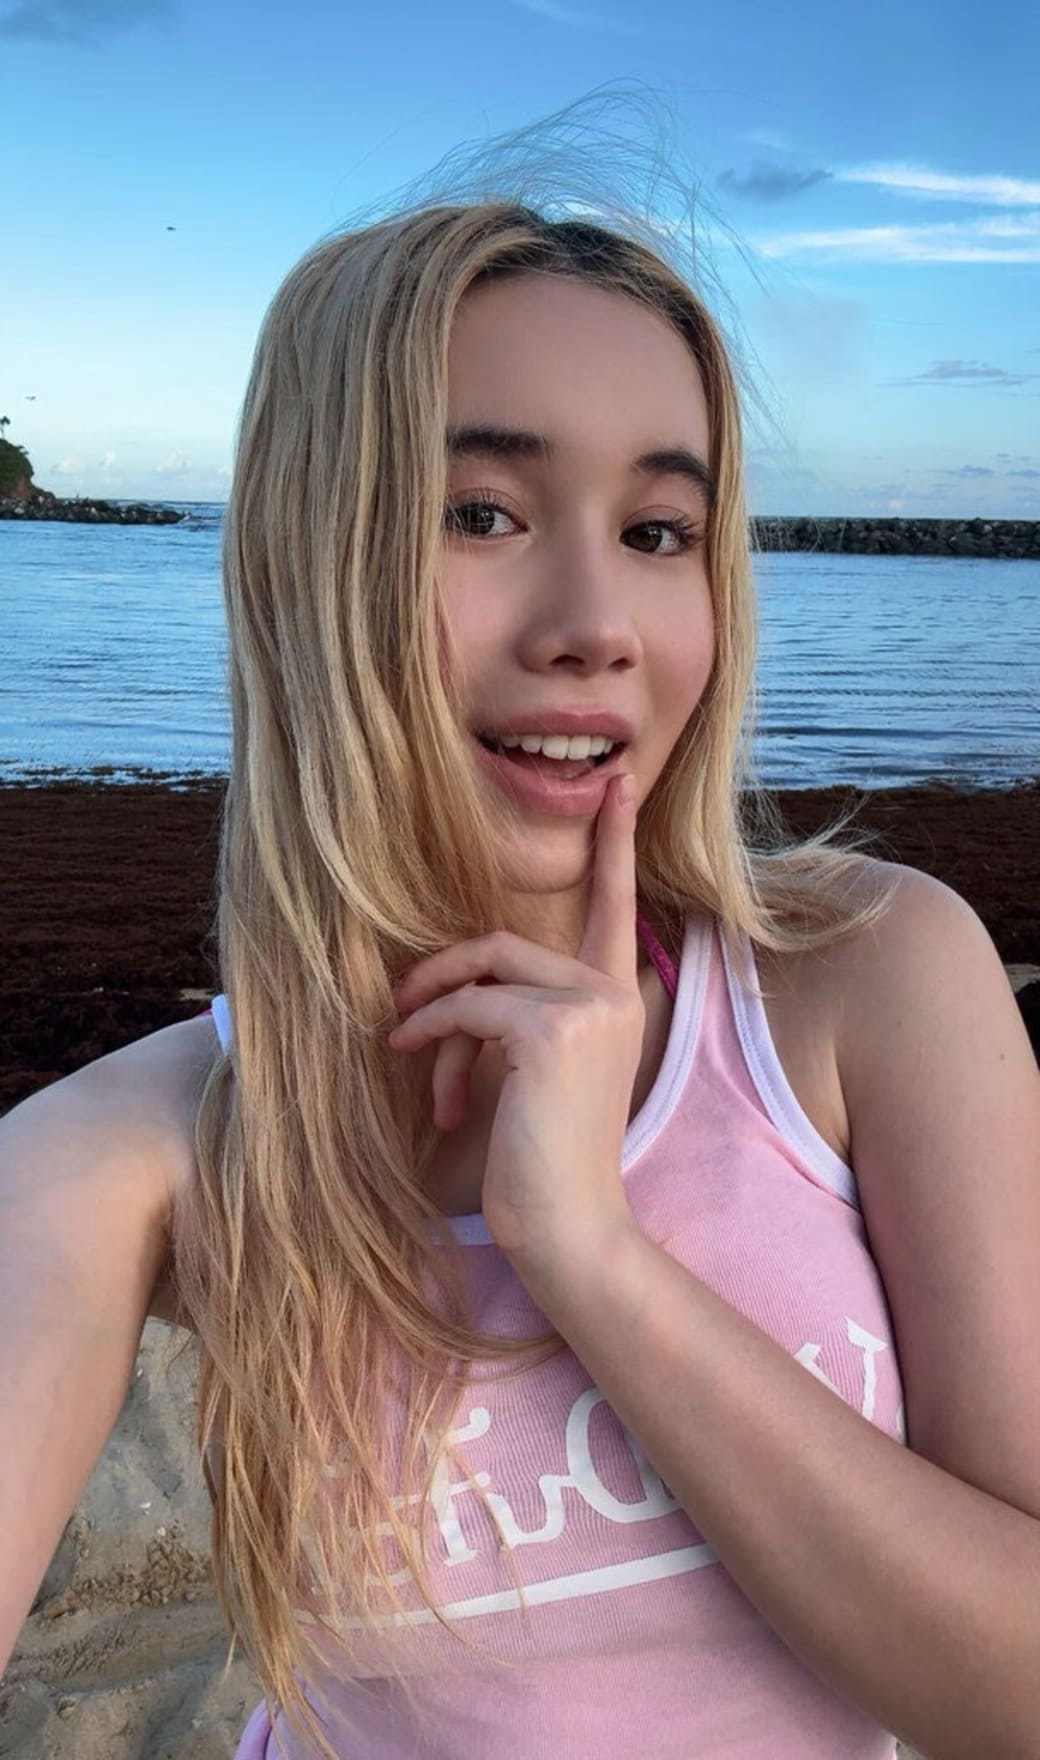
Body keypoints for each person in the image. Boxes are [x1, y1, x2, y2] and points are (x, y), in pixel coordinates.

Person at [3, 97, 1039, 1760]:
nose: (594, 626)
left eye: (657, 533)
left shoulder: (871, 978)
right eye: (481, 512)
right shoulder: (142, 1149)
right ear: (308, 561)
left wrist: (591, 1257)